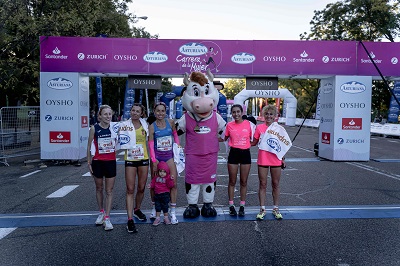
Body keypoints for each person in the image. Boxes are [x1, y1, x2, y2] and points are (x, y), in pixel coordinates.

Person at [251, 104, 286, 220]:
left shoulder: (279, 129)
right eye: (266, 114)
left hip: (276, 159)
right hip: (263, 159)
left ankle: (276, 208)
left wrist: (283, 159)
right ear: (263, 115)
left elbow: (283, 146)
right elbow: (254, 142)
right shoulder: (259, 128)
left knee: (275, 184)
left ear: (275, 116)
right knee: (263, 184)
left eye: (271, 114)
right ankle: (262, 209)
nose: (269, 116)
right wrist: (238, 144)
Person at [87, 105, 118, 231]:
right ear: (99, 116)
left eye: (110, 114)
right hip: (98, 162)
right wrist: (89, 162)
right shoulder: (94, 128)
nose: (108, 116)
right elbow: (89, 146)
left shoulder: (115, 128)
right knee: (99, 188)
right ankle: (101, 212)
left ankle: (107, 217)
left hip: (110, 162)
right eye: (105, 114)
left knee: (109, 191)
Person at [148, 102, 180, 224]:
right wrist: (153, 160)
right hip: (157, 157)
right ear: (154, 112)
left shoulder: (170, 122)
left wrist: (177, 146)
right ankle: (154, 208)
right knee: (154, 184)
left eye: (162, 111)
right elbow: (150, 144)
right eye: (158, 111)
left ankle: (172, 211)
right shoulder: (152, 126)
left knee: (173, 183)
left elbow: (175, 135)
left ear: (165, 112)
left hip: (169, 157)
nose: (160, 113)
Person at [121, 103, 149, 233]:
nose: (135, 113)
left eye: (138, 111)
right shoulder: (124, 125)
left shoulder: (145, 125)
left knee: (141, 188)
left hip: (143, 158)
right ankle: (130, 219)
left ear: (141, 113)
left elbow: (151, 140)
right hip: (130, 159)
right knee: (130, 189)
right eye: (133, 110)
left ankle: (137, 209)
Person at [223, 104, 254, 217]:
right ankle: (231, 205)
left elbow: (254, 138)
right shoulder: (229, 125)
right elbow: (223, 138)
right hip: (234, 153)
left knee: (243, 182)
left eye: (238, 112)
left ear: (242, 112)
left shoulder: (248, 124)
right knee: (232, 181)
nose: (236, 114)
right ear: (231, 114)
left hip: (245, 153)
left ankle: (242, 206)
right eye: (234, 112)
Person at [150, 161, 175, 226]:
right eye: (160, 171)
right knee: (157, 206)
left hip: (165, 194)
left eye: (164, 172)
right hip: (157, 194)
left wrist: (171, 180)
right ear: (158, 171)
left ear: (167, 172)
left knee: (165, 206)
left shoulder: (167, 178)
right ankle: (157, 218)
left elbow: (171, 186)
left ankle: (166, 217)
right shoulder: (156, 178)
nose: (162, 173)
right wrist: (150, 186)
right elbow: (153, 183)